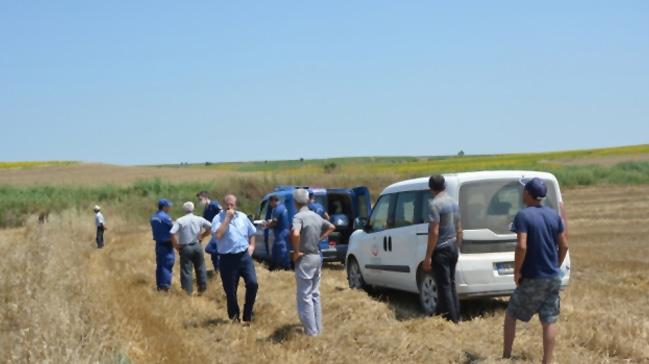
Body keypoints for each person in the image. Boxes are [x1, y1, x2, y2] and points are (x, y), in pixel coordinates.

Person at [503, 178, 569, 364]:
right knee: (548, 320)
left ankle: (506, 356)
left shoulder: (523, 216)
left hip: (533, 276)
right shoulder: (554, 215)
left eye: (524, 191)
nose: (522, 193)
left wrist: (517, 271)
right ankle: (547, 361)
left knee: (511, 314)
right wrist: (555, 264)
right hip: (553, 277)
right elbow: (564, 245)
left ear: (528, 194)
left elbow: (522, 246)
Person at [290, 188, 335, 336]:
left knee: (305, 296)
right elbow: (331, 226)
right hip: (317, 257)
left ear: (295, 202)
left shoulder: (298, 217)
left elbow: (295, 234)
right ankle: (318, 328)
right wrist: (320, 238)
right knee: (315, 294)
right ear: (308, 200)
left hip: (305, 258)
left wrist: (296, 252)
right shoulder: (316, 216)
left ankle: (311, 333)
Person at [212, 194, 258, 324]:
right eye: (227, 204)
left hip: (244, 256)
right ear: (223, 204)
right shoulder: (218, 218)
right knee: (231, 291)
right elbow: (218, 235)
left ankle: (247, 316)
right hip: (227, 259)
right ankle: (234, 318)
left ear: (236, 205)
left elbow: (252, 232)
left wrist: (252, 246)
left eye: (232, 204)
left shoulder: (243, 217)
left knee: (253, 284)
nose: (229, 207)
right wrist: (227, 219)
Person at [422, 175, 463, 323]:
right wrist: (457, 245)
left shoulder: (435, 205)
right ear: (444, 186)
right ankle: (457, 315)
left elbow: (434, 231)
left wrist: (428, 255)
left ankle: (451, 320)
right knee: (451, 284)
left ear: (431, 188)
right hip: (453, 246)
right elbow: (459, 227)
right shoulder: (454, 203)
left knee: (444, 285)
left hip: (441, 249)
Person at [170, 201, 212, 295]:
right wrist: (202, 236)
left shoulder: (180, 220)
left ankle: (187, 292)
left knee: (186, 270)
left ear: (184, 210)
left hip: (186, 247)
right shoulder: (199, 219)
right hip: (197, 246)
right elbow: (211, 227)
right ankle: (202, 289)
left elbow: (172, 233)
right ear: (193, 209)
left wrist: (176, 246)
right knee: (201, 267)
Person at [150, 199, 175, 291]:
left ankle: (159, 284)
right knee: (167, 264)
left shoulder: (153, 217)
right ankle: (165, 286)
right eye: (168, 206)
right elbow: (173, 227)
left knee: (160, 264)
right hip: (167, 243)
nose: (169, 208)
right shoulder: (166, 217)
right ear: (164, 207)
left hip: (158, 243)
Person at [197, 191, 222, 272]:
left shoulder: (214, 205)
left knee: (214, 251)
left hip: (221, 232)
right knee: (214, 253)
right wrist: (201, 235)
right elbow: (206, 225)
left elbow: (223, 214)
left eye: (200, 199)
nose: (199, 201)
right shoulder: (206, 210)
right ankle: (217, 270)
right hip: (214, 233)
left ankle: (221, 269)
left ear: (206, 198)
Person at [265, 195, 290, 270]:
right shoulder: (283, 207)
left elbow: (275, 223)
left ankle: (286, 267)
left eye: (270, 203)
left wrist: (267, 225)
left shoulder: (277, 209)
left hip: (280, 232)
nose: (270, 205)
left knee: (282, 250)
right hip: (284, 231)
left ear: (273, 201)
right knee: (275, 250)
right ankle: (273, 266)